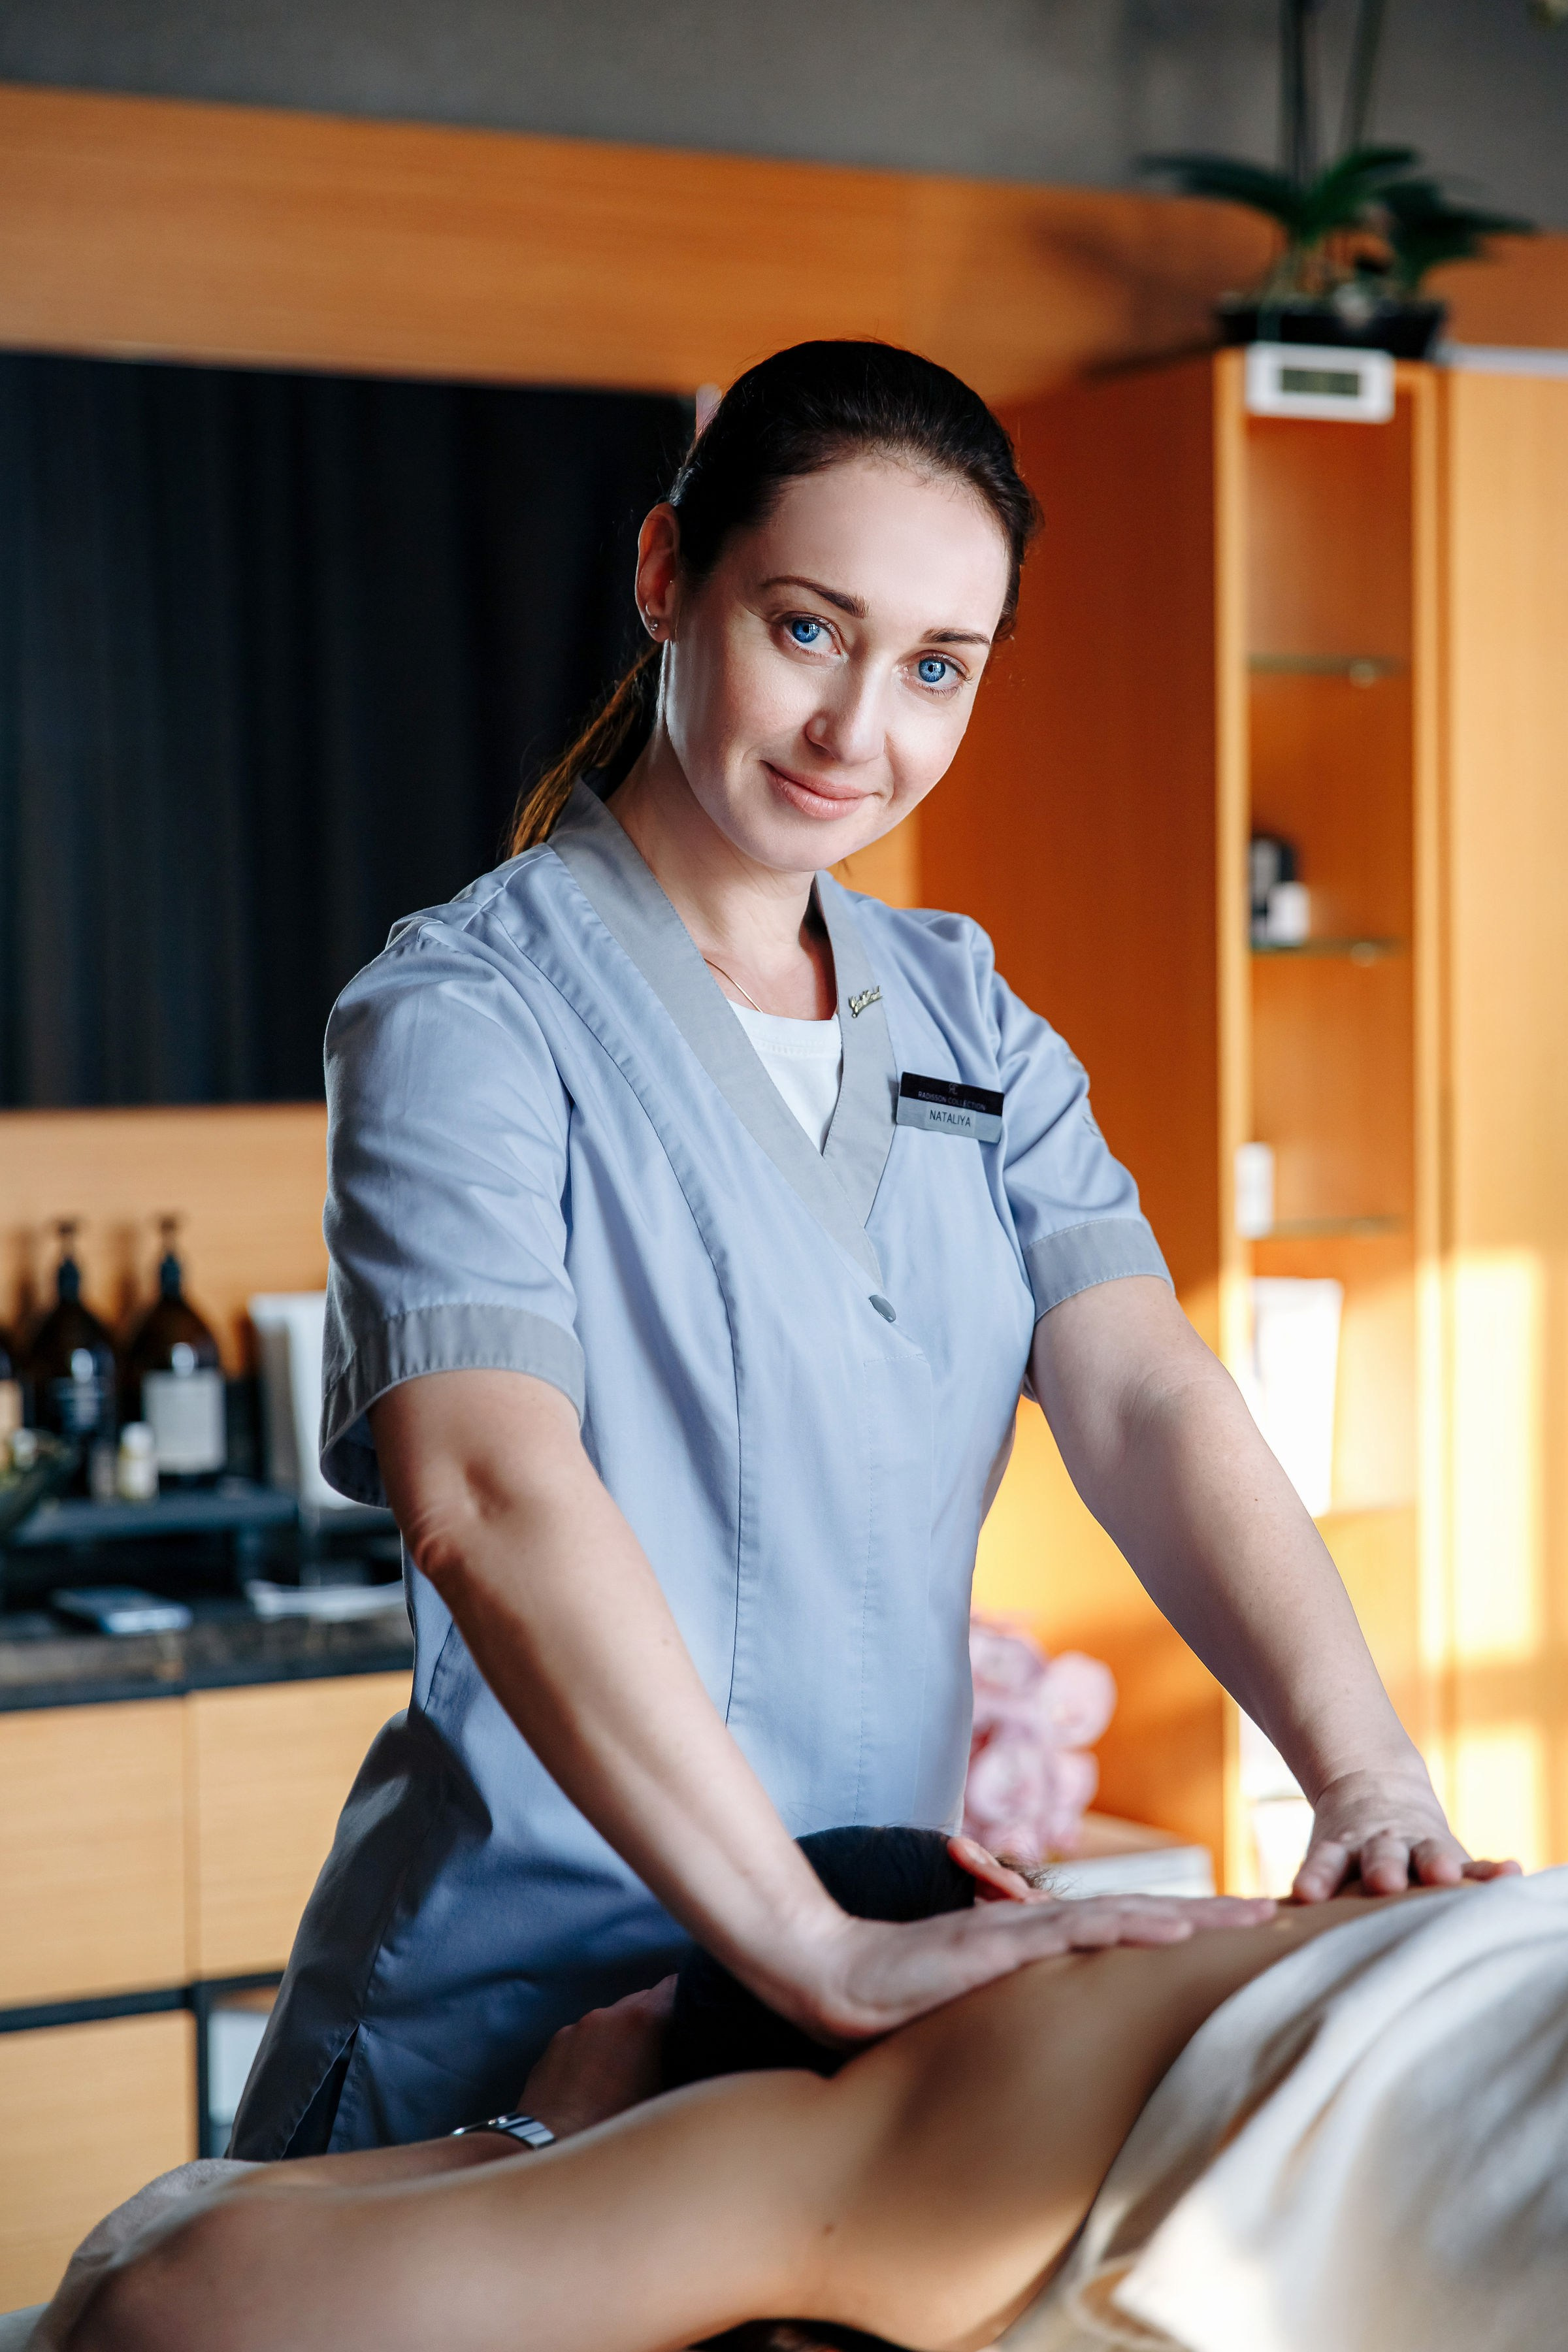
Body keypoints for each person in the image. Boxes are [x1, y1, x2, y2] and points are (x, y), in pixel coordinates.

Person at [231, 338, 1507, 2163]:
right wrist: (804, 1942)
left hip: (840, 2016)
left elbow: (1146, 1397)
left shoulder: (966, 1014)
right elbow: (489, 1495)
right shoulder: (466, 1012)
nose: (858, 731)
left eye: (935, 667)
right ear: (666, 576)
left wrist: (1364, 1776)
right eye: (807, 629)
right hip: (515, 2024)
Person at [54, 1842, 1568, 2352]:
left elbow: (156, 2299)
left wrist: (543, 2136)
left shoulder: (978, 2077)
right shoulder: (1423, 1905)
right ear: (991, 1881)